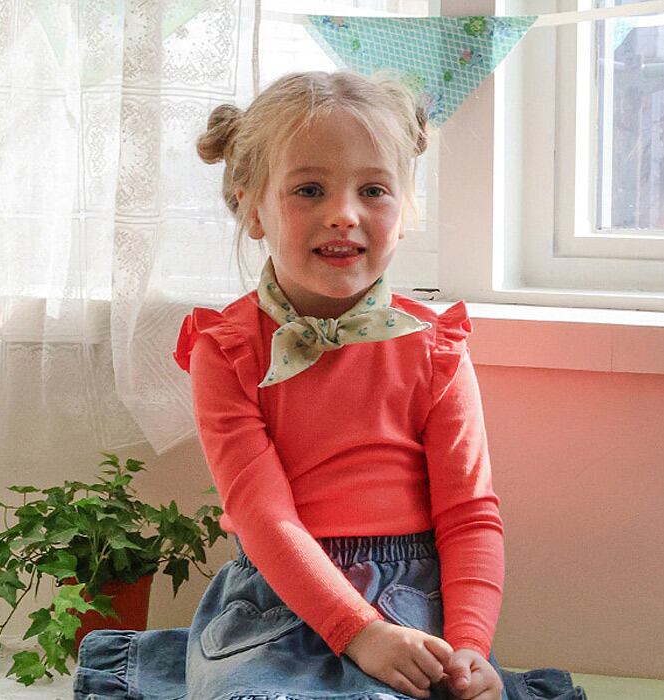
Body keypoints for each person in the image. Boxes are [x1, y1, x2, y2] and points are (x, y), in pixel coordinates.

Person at [174, 70, 504, 700]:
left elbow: (469, 515)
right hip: (278, 601)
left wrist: (470, 645)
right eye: (309, 190)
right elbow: (264, 518)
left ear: (405, 211)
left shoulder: (435, 349)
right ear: (252, 208)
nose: (343, 215)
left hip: (415, 603)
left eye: (373, 190)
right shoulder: (227, 351)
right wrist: (358, 631)